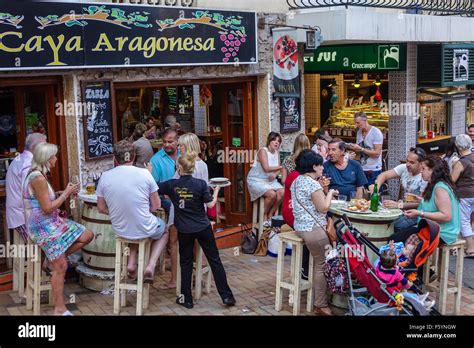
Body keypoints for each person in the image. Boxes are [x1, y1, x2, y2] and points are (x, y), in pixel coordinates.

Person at [23, 143, 93, 316]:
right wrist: (65, 194)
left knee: (87, 235)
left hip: (51, 222)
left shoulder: (38, 175)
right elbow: (47, 208)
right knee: (61, 266)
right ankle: (59, 309)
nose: (56, 159)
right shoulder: (37, 178)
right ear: (47, 159)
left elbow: (44, 200)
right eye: (54, 156)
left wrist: (63, 192)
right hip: (42, 227)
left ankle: (51, 260)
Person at [159, 154, 235, 309]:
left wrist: (147, 171)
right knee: (215, 260)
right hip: (203, 227)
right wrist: (216, 191)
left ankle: (186, 299)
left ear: (179, 168)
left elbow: (154, 187)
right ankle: (227, 297)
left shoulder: (171, 184)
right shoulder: (200, 184)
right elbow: (211, 205)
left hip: (184, 230)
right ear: (192, 169)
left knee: (186, 263)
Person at [97, 140, 168, 283]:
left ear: (115, 159)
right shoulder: (145, 174)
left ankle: (131, 263)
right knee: (165, 230)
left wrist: (120, 212)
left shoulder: (105, 177)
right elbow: (156, 205)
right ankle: (151, 265)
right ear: (134, 157)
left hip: (121, 229)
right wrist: (141, 210)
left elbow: (101, 208)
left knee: (135, 226)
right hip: (143, 226)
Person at [290, 150, 338, 316]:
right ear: (313, 166)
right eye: (320, 165)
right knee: (322, 263)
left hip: (300, 227)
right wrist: (330, 192)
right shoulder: (312, 184)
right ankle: (320, 304)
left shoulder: (297, 180)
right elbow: (323, 207)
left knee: (319, 261)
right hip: (312, 229)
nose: (322, 168)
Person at [165, 132, 208, 290]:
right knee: (196, 243)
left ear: (188, 146)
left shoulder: (184, 165)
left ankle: (175, 280)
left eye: (181, 145)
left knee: (174, 241)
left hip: (181, 209)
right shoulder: (202, 165)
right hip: (197, 211)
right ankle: (198, 277)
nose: (178, 148)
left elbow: (175, 187)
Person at [395, 156, 461, 245]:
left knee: (395, 239)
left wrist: (420, 213)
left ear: (432, 170)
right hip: (436, 229)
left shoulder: (440, 188)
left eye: (423, 168)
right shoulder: (437, 184)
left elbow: (446, 216)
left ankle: (407, 258)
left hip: (442, 233)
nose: (421, 171)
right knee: (399, 232)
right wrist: (421, 200)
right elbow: (436, 205)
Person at [374, 147, 427, 234]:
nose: (408, 164)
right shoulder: (404, 168)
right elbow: (384, 175)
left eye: (412, 162)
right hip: (400, 211)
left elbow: (422, 203)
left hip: (416, 215)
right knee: (380, 220)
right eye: (407, 161)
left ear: (421, 164)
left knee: (393, 227)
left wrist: (399, 205)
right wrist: (376, 189)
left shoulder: (425, 176)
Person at [6, 133, 46, 243]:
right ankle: (51, 260)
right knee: (50, 240)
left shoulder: (20, 158)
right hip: (22, 218)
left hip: (20, 214)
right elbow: (31, 193)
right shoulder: (28, 164)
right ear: (35, 148)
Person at [247, 132, 284, 227]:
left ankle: (270, 214)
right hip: (256, 180)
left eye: (278, 141)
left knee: (282, 192)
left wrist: (275, 174)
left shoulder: (277, 152)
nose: (277, 143)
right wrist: (281, 167)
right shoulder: (263, 151)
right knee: (272, 194)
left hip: (270, 181)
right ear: (269, 140)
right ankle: (263, 215)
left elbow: (277, 169)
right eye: (274, 140)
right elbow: (266, 168)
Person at [451, 134, 474, 257]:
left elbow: (452, 179)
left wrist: (453, 166)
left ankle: (470, 249)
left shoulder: (461, 162)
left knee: (464, 221)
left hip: (465, 194)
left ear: (457, 146)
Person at [348, 112, 383, 185]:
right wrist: (352, 149)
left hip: (373, 170)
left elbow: (377, 154)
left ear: (365, 120)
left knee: (373, 194)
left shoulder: (376, 132)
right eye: (355, 123)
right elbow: (359, 150)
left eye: (358, 123)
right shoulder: (359, 132)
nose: (356, 125)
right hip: (361, 169)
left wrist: (361, 149)